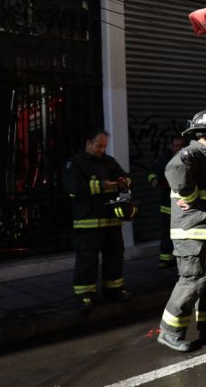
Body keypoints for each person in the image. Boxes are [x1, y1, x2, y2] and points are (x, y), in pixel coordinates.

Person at [157, 110, 206, 352]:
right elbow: (173, 171)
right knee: (192, 280)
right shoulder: (190, 154)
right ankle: (170, 331)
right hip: (193, 233)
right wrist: (189, 196)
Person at [63, 129, 133, 311]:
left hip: (111, 221)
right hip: (88, 221)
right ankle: (84, 295)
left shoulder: (108, 162)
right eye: (98, 146)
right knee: (87, 260)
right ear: (88, 143)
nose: (102, 150)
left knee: (115, 257)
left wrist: (123, 182)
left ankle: (115, 289)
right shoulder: (75, 163)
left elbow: (126, 177)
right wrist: (102, 185)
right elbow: (73, 187)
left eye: (104, 146)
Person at [149, 135, 186, 268]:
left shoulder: (190, 158)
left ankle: (181, 259)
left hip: (185, 203)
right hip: (167, 203)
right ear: (171, 146)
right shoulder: (164, 158)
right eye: (176, 146)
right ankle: (165, 258)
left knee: (184, 233)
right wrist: (153, 180)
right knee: (167, 232)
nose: (179, 148)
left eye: (182, 146)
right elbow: (152, 172)